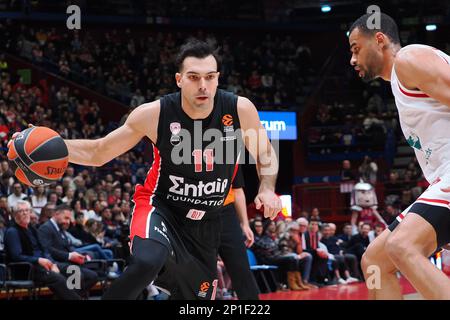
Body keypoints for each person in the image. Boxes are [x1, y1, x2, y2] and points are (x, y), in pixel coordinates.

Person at [9, 38, 281, 300]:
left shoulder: (239, 109)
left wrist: (267, 188)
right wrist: (49, 146)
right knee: (146, 260)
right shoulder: (155, 113)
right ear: (179, 79)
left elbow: (265, 152)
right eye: (194, 77)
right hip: (161, 207)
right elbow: (99, 151)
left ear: (218, 78)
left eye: (210, 77)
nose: (203, 85)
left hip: (207, 221)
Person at [349, 12, 450, 299]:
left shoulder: (409, 58)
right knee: (375, 262)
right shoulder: (399, 81)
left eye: (356, 49)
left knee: (402, 245)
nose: (352, 60)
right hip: (441, 178)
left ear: (379, 39)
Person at [4, 200, 81, 299]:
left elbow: (44, 249)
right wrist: (38, 260)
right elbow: (16, 256)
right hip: (27, 270)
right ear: (15, 215)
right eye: (21, 211)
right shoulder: (12, 232)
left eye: (27, 210)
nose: (25, 213)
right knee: (59, 279)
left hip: (42, 266)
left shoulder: (32, 229)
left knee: (73, 271)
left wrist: (52, 264)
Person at [217, 166, 260, 299]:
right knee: (200, 272)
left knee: (241, 268)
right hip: (194, 214)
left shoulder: (229, 151)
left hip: (226, 213)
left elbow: (237, 190)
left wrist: (245, 223)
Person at [37, 204, 98, 296]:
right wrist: (69, 256)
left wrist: (79, 254)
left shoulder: (60, 229)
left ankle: (72, 297)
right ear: (56, 214)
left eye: (69, 219)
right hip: (54, 263)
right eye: (66, 218)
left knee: (92, 276)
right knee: (76, 272)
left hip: (65, 263)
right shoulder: (45, 228)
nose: (68, 221)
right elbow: (48, 250)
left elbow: (68, 247)